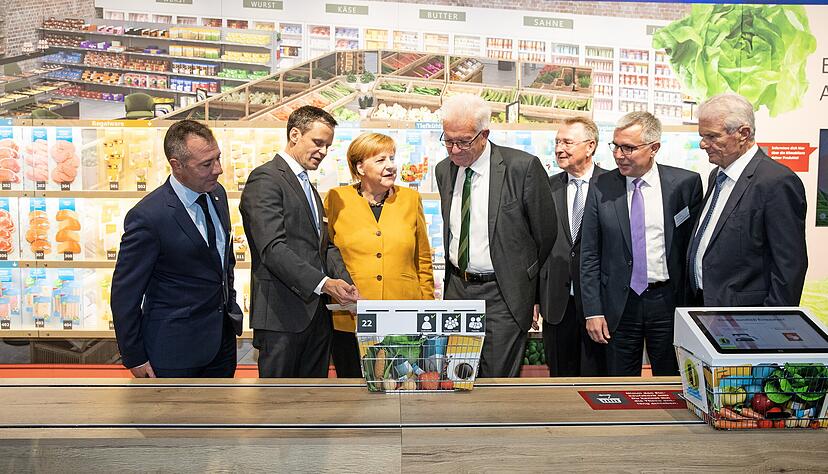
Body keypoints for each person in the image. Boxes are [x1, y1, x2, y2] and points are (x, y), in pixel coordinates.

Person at [435, 93, 557, 378]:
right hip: (457, 289)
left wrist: (529, 287)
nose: (454, 150)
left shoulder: (521, 168)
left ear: (484, 134)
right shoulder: (444, 171)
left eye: (463, 141)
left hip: (502, 292)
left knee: (497, 380)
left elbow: (545, 234)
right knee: (457, 375)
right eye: (448, 140)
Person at [111, 120, 243, 378]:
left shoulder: (218, 195)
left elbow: (222, 264)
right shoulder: (149, 216)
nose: (219, 169)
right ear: (177, 165)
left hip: (221, 345)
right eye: (206, 164)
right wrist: (134, 356)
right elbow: (125, 293)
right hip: (174, 351)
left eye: (218, 158)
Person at [240, 106, 359, 378]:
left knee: (312, 404)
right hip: (282, 318)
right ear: (295, 134)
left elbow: (324, 247)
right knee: (278, 407)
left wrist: (346, 284)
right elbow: (272, 248)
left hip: (317, 317)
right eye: (318, 142)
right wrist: (324, 283)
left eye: (328, 145)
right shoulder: (266, 179)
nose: (323, 151)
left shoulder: (308, 186)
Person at [580, 111, 702, 376]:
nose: (619, 155)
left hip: (668, 302)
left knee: (673, 382)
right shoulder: (601, 186)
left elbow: (692, 251)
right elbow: (589, 254)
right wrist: (593, 311)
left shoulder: (685, 184)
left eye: (629, 148)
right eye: (615, 146)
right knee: (620, 386)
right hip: (619, 304)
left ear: (654, 148)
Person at [324, 132, 435, 378]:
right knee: (353, 388)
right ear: (360, 167)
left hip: (404, 314)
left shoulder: (410, 199)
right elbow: (328, 251)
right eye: (380, 159)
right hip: (352, 313)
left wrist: (427, 308)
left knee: (403, 387)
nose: (390, 166)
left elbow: (423, 259)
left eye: (392, 158)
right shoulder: (336, 199)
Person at [689, 93, 807, 307]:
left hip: (746, 317)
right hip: (705, 305)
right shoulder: (717, 175)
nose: (703, 144)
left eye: (712, 136)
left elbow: (789, 265)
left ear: (743, 133)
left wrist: (772, 323)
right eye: (702, 136)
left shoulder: (776, 181)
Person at [535, 117, 607, 377]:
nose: (559, 148)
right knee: (560, 382)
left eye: (567, 142)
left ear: (590, 146)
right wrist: (534, 298)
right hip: (556, 303)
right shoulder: (547, 187)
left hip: (598, 306)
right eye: (556, 142)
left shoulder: (612, 186)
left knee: (596, 381)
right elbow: (537, 245)